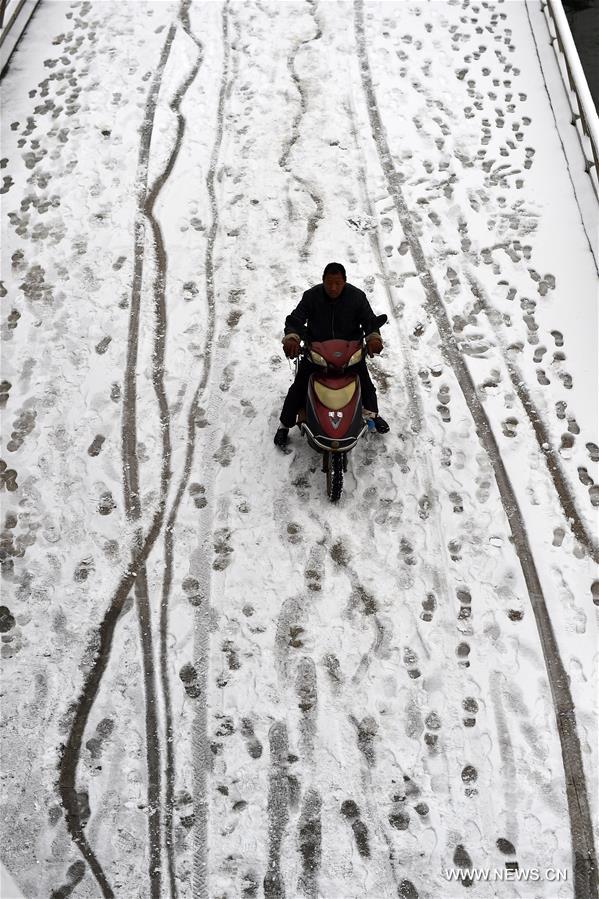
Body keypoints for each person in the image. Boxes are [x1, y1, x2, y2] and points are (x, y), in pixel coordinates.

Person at [274, 262, 390, 447]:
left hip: (350, 354)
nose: (333, 288)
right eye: (329, 283)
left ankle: (371, 414)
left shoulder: (357, 297)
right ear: (323, 281)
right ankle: (284, 425)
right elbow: (295, 320)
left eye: (338, 283)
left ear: (345, 281)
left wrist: (374, 339)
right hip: (317, 354)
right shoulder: (311, 296)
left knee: (366, 384)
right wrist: (292, 338)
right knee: (299, 387)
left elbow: (369, 321)